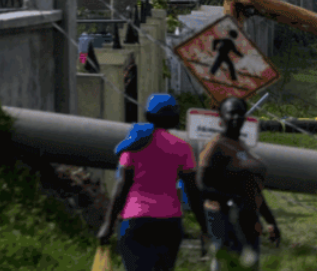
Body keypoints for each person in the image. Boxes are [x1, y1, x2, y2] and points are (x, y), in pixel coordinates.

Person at [99, 94, 208, 271]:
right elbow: (193, 191)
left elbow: (122, 186)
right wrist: (205, 226)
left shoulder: (134, 143)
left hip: (135, 220)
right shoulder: (182, 148)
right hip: (168, 223)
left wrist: (108, 225)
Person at [198, 97, 281, 271]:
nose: (236, 117)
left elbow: (253, 189)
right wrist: (232, 199)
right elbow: (202, 186)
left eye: (240, 113)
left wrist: (270, 221)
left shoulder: (241, 146)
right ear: (222, 117)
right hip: (225, 220)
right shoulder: (216, 146)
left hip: (249, 221)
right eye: (231, 113)